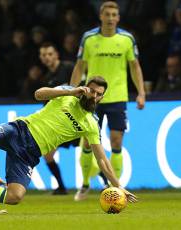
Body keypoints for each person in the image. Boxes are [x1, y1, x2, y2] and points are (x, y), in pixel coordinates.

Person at [0, 77, 138, 206]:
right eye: (91, 90)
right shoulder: (67, 94)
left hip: (29, 154)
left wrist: (119, 187)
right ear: (85, 87)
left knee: (15, 197)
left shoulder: (91, 123)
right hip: (19, 129)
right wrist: (72, 90)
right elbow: (38, 94)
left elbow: (102, 159)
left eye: (99, 94)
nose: (94, 96)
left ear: (102, 98)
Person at [69, 1, 146, 201]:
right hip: (91, 98)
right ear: (101, 17)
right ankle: (85, 184)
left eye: (114, 15)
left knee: (116, 141)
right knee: (87, 141)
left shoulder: (127, 39)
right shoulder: (89, 38)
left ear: (118, 18)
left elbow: (135, 66)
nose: (111, 18)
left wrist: (141, 92)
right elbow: (79, 66)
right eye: (108, 14)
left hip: (118, 97)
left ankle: (116, 189)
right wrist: (70, 92)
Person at [38, 42, 79, 195]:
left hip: (75, 118)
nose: (46, 58)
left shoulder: (69, 68)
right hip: (58, 122)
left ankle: (108, 183)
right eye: (43, 55)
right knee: (47, 154)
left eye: (49, 54)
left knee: (90, 150)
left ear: (56, 55)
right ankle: (61, 187)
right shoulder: (47, 77)